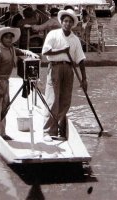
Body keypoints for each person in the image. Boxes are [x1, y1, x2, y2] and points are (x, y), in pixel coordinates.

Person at [41, 8, 87, 141]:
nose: (67, 24)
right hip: (55, 68)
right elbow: (46, 52)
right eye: (65, 21)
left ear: (72, 24)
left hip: (69, 69)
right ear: (61, 22)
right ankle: (48, 132)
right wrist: (61, 50)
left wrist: (84, 79)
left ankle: (60, 128)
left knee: (65, 100)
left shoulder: (75, 39)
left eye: (70, 22)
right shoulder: (53, 34)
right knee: (53, 100)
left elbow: (80, 59)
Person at [0, 27, 39, 140]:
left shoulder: (11, 49)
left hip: (6, 80)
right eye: (6, 37)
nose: (9, 40)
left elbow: (21, 51)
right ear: (1, 39)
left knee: (5, 108)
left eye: (10, 37)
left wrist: (30, 53)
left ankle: (2, 133)